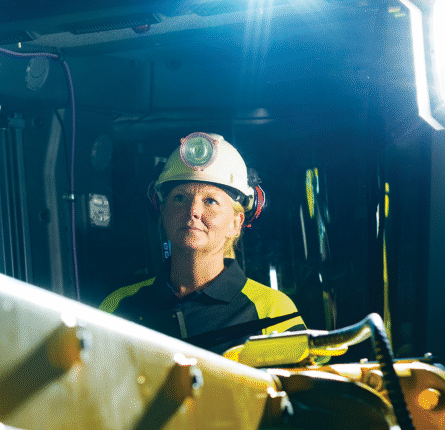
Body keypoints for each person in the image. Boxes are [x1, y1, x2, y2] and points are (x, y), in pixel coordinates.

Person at [100, 132, 305, 353]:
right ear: (162, 211)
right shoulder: (118, 307)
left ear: (236, 223)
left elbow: (304, 386)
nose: (193, 211)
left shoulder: (273, 312)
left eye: (210, 201)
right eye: (180, 198)